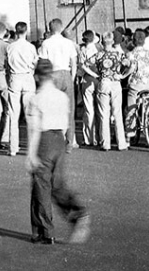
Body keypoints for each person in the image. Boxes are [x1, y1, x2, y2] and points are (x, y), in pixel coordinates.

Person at [25, 59, 90, 245]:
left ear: (37, 76)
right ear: (52, 75)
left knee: (41, 186)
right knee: (57, 184)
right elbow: (66, 121)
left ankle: (44, 232)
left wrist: (30, 154)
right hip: (59, 139)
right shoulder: (62, 96)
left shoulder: (35, 99)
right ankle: (77, 210)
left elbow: (34, 129)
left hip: (44, 140)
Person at [82, 32, 132, 152]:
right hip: (115, 83)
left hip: (103, 82)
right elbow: (131, 65)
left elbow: (84, 65)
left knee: (104, 114)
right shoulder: (119, 54)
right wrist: (123, 75)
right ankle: (121, 143)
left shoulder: (98, 55)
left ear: (102, 42)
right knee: (117, 113)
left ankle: (105, 143)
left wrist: (95, 74)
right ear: (113, 41)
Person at [36, 18, 79, 147]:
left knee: (52, 108)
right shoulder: (69, 43)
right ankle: (70, 141)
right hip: (66, 73)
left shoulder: (46, 43)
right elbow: (74, 63)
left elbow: (43, 62)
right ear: (61, 28)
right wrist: (72, 77)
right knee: (70, 108)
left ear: (50, 29)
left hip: (52, 75)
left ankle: (55, 138)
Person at [5, 22, 38, 156]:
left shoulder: (10, 47)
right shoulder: (31, 47)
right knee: (30, 113)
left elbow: (7, 63)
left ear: (15, 31)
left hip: (15, 77)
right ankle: (32, 147)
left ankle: (13, 147)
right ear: (26, 31)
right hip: (27, 76)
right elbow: (35, 63)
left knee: (13, 113)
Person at [77, 30, 100, 147]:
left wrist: (89, 73)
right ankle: (100, 136)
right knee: (99, 108)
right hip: (99, 79)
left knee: (88, 109)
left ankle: (89, 138)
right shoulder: (98, 49)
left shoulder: (83, 50)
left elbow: (82, 66)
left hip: (87, 79)